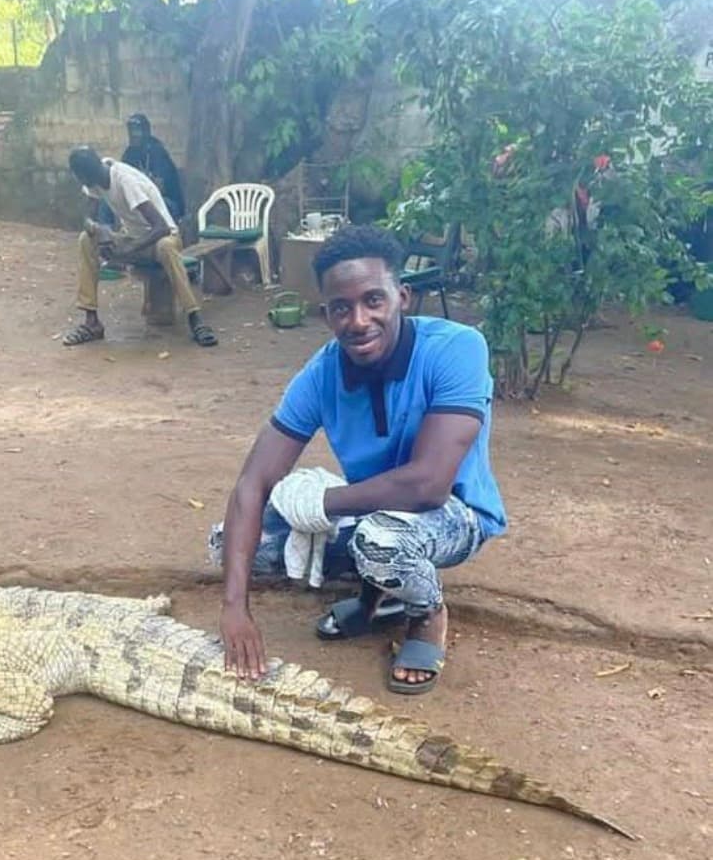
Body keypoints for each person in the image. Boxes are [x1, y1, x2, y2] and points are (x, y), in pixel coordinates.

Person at [211, 223, 507, 695]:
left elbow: (429, 484)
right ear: (326, 312)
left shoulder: (456, 349)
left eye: (374, 300)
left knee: (380, 540)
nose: (358, 320)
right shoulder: (322, 371)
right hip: (374, 514)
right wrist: (233, 606)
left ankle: (426, 613)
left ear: (403, 296)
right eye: (341, 308)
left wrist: (321, 501)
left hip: (455, 514)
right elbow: (253, 482)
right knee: (232, 540)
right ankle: (377, 596)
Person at [63, 145, 217, 349]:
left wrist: (129, 249)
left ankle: (194, 318)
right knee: (85, 239)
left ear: (84, 174)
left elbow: (161, 227)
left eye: (77, 176)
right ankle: (92, 322)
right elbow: (87, 218)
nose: (78, 181)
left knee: (165, 247)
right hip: (134, 239)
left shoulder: (125, 181)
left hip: (163, 239)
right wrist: (99, 229)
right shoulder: (96, 176)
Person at [122, 113, 184, 222]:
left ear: (146, 132)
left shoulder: (157, 152)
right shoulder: (129, 154)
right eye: (131, 131)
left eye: (137, 130)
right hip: (139, 199)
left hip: (166, 202)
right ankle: (105, 231)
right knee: (108, 202)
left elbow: (159, 188)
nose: (134, 135)